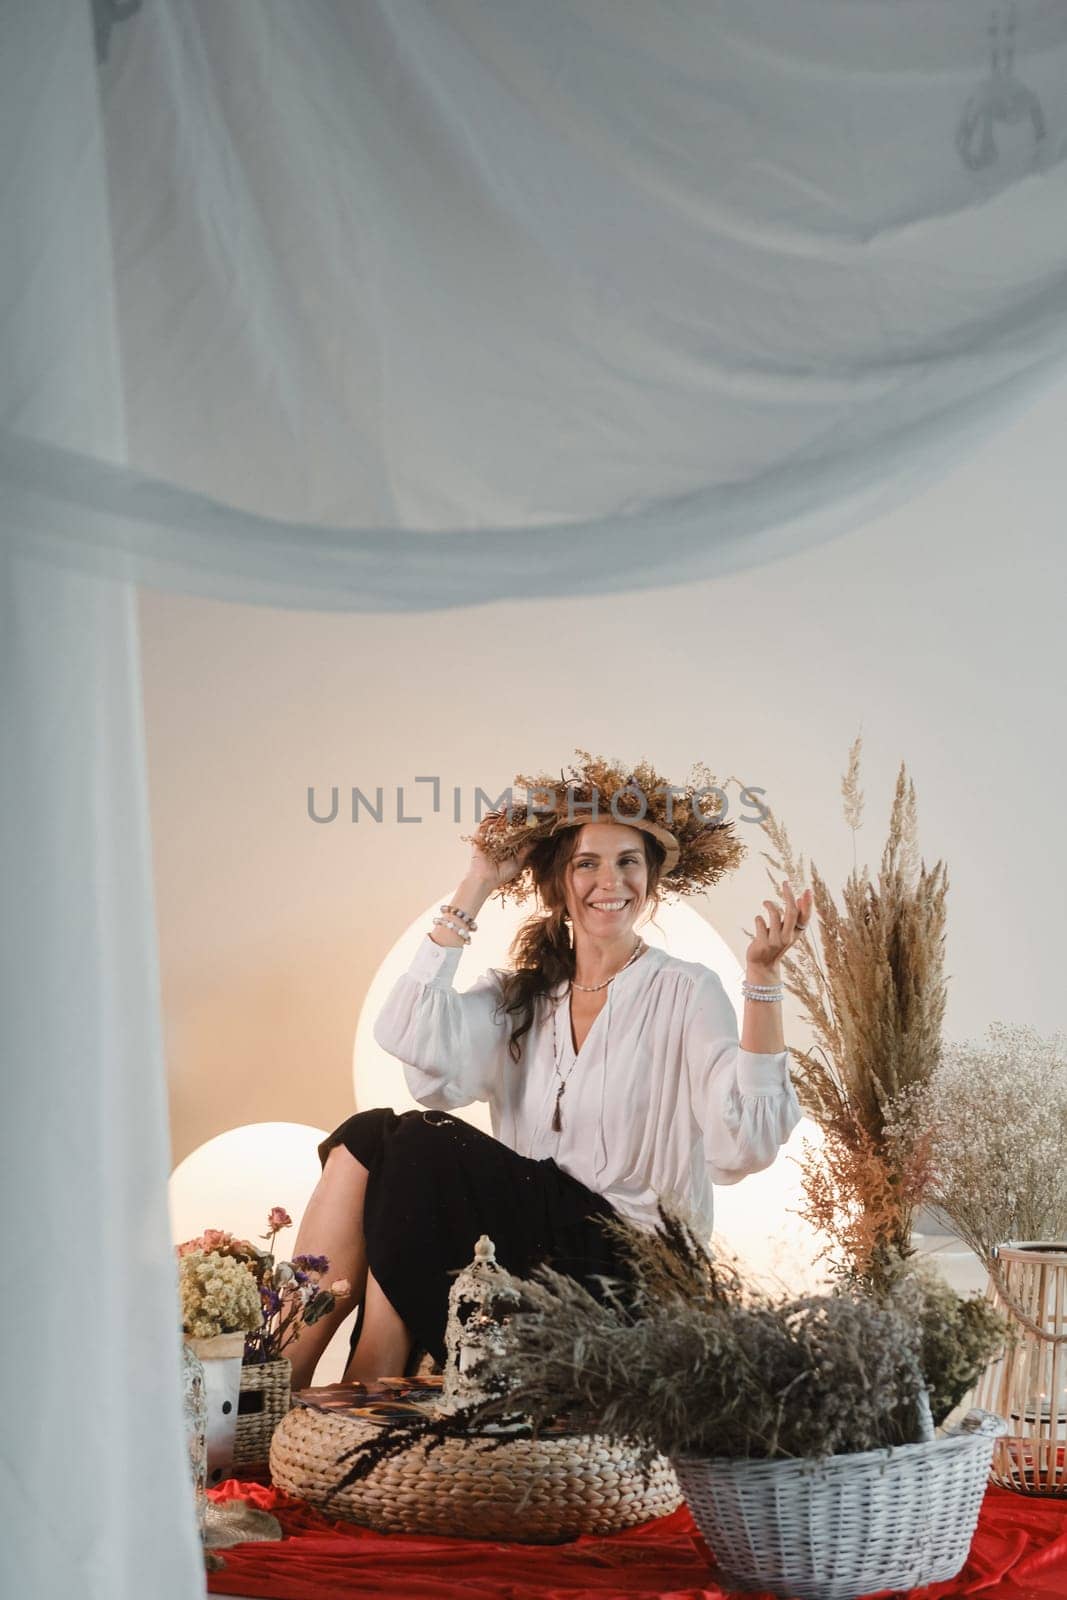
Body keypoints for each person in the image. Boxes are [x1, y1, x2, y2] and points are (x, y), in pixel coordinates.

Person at [286, 753, 812, 1391]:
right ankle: (284, 1369)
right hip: (523, 1250)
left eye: (628, 862)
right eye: (586, 863)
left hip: (632, 1266)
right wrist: (478, 881)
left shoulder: (684, 990)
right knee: (371, 1133)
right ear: (558, 884)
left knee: (421, 1139)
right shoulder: (525, 995)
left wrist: (762, 977)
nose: (608, 881)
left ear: (651, 882)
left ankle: (372, 1368)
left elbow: (745, 1144)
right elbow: (409, 1033)